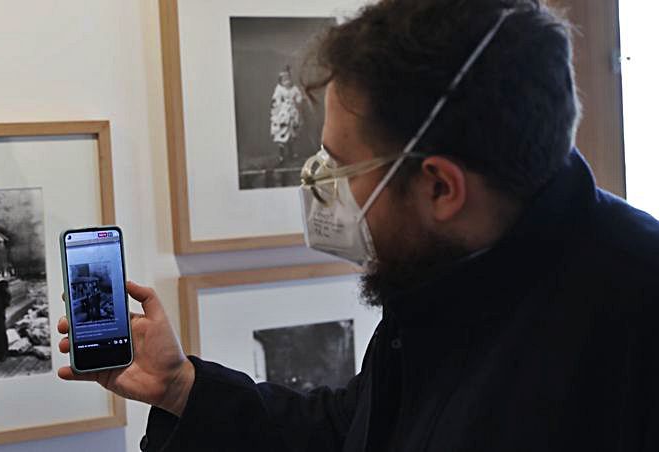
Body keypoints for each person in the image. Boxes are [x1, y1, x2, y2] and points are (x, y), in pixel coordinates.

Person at [58, 1, 659, 451]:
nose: (320, 181)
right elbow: (360, 429)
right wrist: (182, 387)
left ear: (441, 187)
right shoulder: (451, 273)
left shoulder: (633, 314)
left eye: (343, 165)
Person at [270, 65, 304, 164]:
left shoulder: (294, 89)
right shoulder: (279, 89)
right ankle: (281, 155)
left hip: (292, 113)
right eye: (284, 79)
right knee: (282, 133)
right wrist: (279, 110)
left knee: (292, 134)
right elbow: (275, 101)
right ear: (281, 80)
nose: (287, 81)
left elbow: (299, 98)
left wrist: (297, 100)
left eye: (288, 78)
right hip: (283, 114)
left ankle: (292, 153)